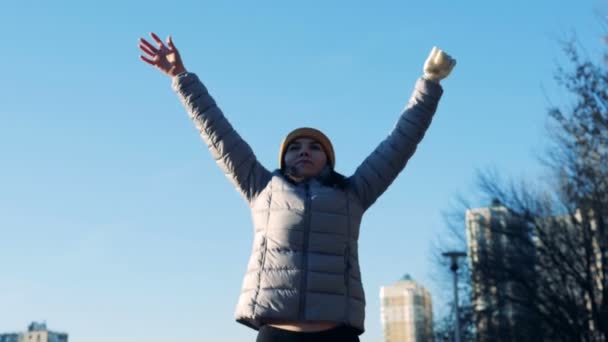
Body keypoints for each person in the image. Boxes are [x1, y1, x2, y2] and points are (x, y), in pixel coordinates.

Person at [138, 32, 456, 342]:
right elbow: (217, 131)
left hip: (337, 335)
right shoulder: (262, 189)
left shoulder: (353, 194)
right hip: (278, 334)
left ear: (328, 160)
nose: (304, 150)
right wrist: (180, 76)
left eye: (314, 147)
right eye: (295, 147)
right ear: (284, 158)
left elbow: (400, 143)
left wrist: (429, 83)